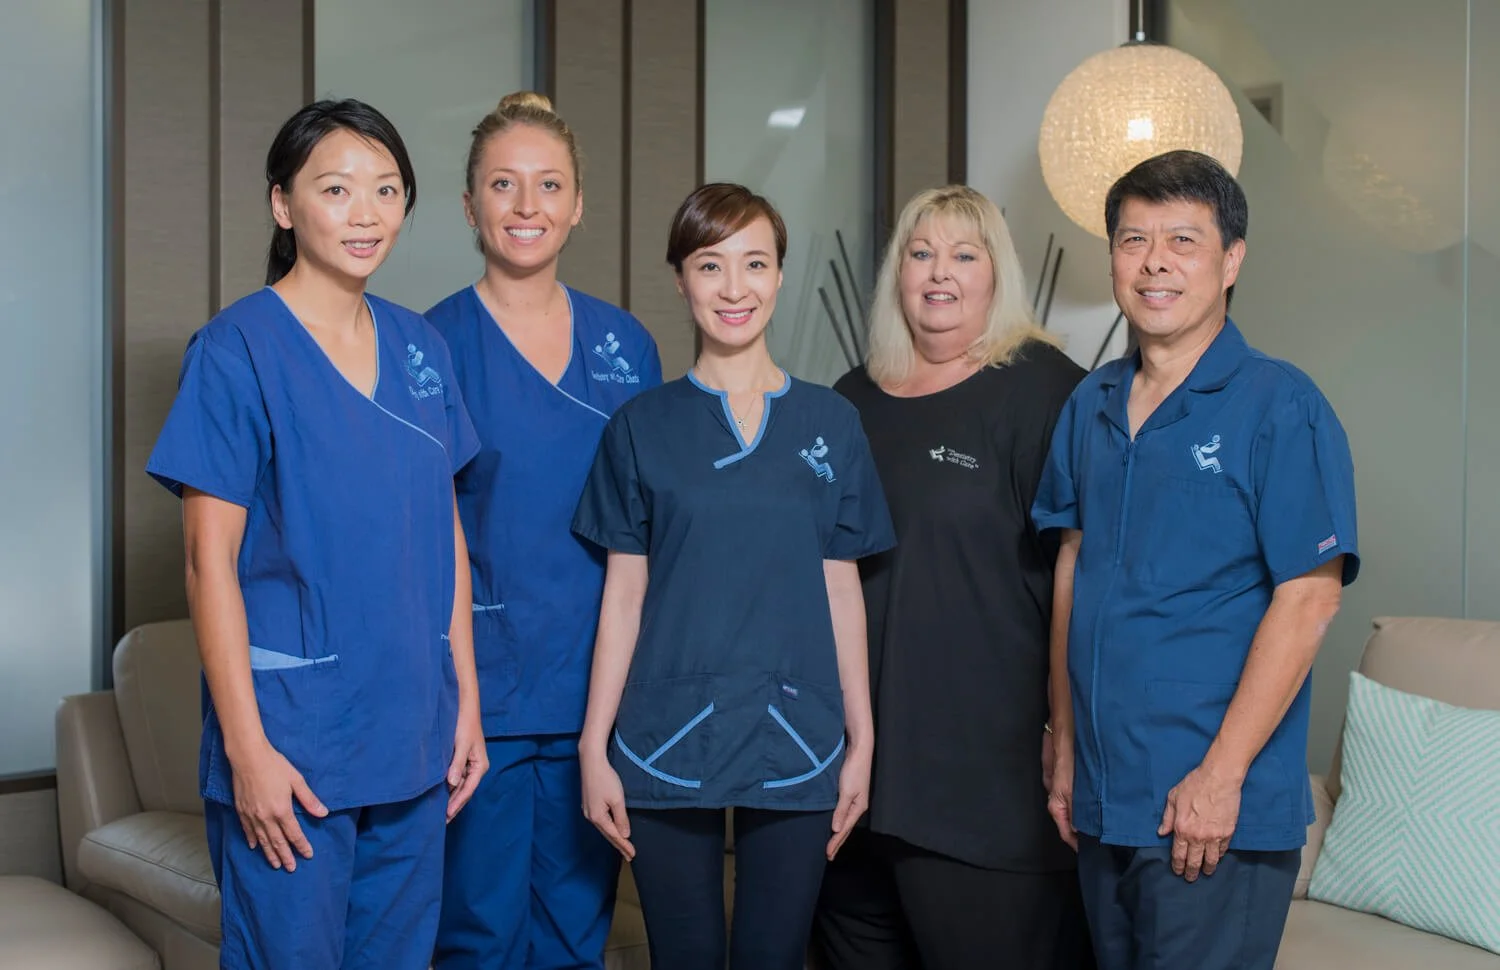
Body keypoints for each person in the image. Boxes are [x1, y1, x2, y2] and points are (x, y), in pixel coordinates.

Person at [144, 99, 487, 969]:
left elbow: (444, 529)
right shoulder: (235, 351)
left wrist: (467, 705)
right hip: (294, 743)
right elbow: (204, 560)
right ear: (283, 204)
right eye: (336, 189)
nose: (365, 212)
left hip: (414, 733)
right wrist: (247, 750)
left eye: (386, 189)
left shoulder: (421, 348)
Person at [1031, 149, 1359, 970]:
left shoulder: (1281, 405)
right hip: (1105, 796)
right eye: (1133, 240)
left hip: (1213, 807)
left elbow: (1309, 601)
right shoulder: (1090, 403)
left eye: (1182, 240)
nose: (1155, 264)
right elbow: (1074, 565)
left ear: (1231, 260)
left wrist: (1220, 776)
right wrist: (1064, 740)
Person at [570, 182, 896, 970]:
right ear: (681, 279)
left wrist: (863, 734)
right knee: (679, 957)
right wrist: (593, 744)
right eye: (710, 266)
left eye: (755, 264)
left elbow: (840, 585)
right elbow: (624, 593)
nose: (734, 287)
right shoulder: (641, 427)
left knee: (774, 957)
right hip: (663, 731)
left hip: (799, 732)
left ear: (780, 276)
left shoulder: (831, 423)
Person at [809, 185, 1095, 970]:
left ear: (996, 273)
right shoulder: (850, 399)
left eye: (965, 255)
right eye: (921, 252)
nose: (941, 273)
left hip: (984, 787)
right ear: (897, 274)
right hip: (851, 781)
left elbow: (1081, 577)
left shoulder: (1048, 392)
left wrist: (1064, 736)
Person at [426, 91, 662, 969]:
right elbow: (420, 531)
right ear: (469, 205)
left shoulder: (627, 347)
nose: (528, 207)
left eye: (549, 185)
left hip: (595, 693)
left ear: (578, 204)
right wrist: (461, 701)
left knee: (574, 934)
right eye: (504, 184)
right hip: (474, 697)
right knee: (475, 934)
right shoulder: (425, 345)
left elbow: (651, 528)